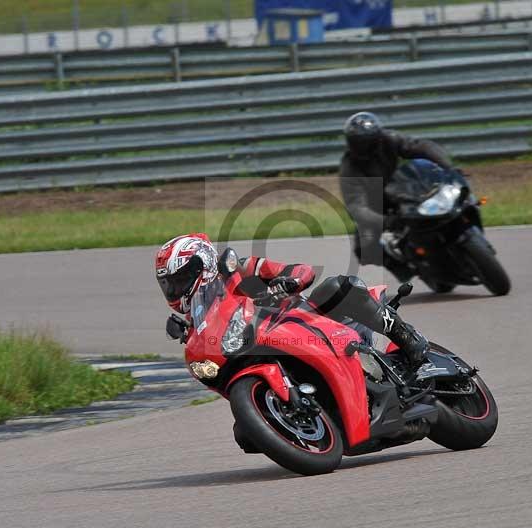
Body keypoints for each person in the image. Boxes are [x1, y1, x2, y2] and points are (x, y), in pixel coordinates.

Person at [155, 233, 431, 372]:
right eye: (170, 283)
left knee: (339, 287)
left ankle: (406, 337)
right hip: (266, 349)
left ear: (202, 263)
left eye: (181, 279)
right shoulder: (201, 318)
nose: (176, 288)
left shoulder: (241, 269)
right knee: (245, 435)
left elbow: (302, 270)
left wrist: (287, 282)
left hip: (307, 320)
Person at [339, 111, 455, 281]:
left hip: (404, 185)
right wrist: (384, 221)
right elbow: (356, 206)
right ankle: (403, 268)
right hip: (378, 203)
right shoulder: (349, 167)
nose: (362, 147)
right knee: (363, 248)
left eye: (365, 143)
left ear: (377, 138)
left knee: (448, 193)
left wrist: (448, 167)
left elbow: (421, 146)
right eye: (357, 143)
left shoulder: (390, 139)